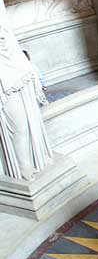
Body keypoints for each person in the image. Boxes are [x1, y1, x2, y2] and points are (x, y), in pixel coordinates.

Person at [0, 23, 53, 180]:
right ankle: (23, 167)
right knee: (19, 126)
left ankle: (31, 163)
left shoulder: (5, 30)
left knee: (29, 121)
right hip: (6, 83)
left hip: (18, 75)